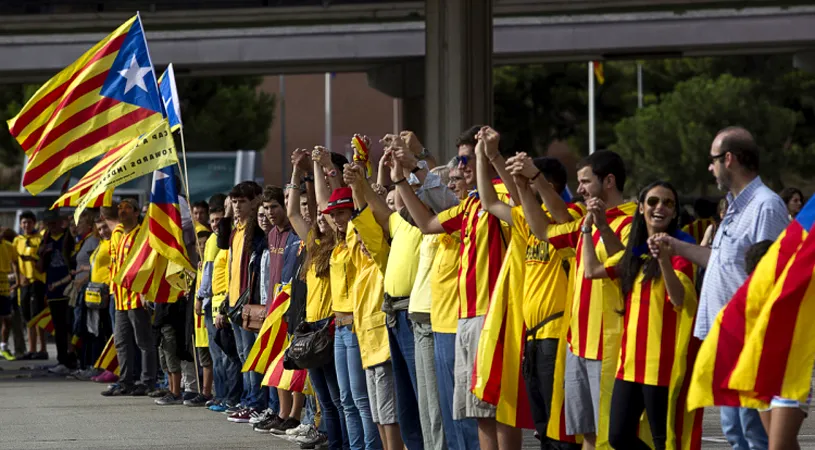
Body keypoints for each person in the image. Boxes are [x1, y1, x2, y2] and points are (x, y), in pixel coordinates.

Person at [651, 127, 789, 450]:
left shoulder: (765, 207)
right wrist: (674, 246)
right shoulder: (735, 207)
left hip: (747, 338)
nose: (710, 168)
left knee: (754, 434)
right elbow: (721, 262)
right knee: (735, 432)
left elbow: (768, 273)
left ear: (729, 159)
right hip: (726, 336)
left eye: (713, 160)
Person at [393, 126, 519, 450]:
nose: (461, 166)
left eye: (467, 160)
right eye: (461, 160)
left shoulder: (501, 198)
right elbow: (426, 223)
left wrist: (492, 155)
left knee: (499, 410)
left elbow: (520, 200)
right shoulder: (469, 206)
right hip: (465, 317)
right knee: (477, 412)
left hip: (491, 317)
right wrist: (398, 181)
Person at [513, 149, 636, 449]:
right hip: (578, 344)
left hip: (609, 348)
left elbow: (625, 263)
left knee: (611, 435)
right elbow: (543, 230)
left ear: (608, 181)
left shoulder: (633, 220)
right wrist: (520, 184)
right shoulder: (585, 224)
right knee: (587, 435)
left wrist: (537, 178)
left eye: (585, 181)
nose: (578, 189)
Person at [475, 126, 585, 450]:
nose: (522, 187)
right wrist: (489, 156)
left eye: (531, 181)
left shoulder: (571, 217)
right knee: (543, 429)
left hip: (555, 336)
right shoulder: (527, 221)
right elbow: (490, 201)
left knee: (560, 429)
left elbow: (558, 212)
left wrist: (531, 176)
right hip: (532, 337)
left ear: (547, 185)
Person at [581, 181, 698, 450]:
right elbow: (591, 270)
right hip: (629, 364)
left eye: (668, 203)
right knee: (618, 437)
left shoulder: (681, 249)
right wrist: (590, 226)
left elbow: (679, 299)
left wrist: (664, 260)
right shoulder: (634, 253)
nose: (660, 208)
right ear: (641, 208)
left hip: (661, 366)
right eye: (654, 201)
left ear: (675, 211)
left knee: (663, 441)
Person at [281, 148, 347, 450]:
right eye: (320, 215)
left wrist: (323, 169)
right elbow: (294, 212)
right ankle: (333, 443)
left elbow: (331, 202)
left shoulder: (342, 244)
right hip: (310, 328)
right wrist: (296, 172)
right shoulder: (314, 245)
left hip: (331, 327)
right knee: (325, 400)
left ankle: (343, 444)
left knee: (339, 398)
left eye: (328, 214)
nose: (321, 217)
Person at [216, 182, 268, 421]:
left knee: (250, 354)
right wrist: (228, 213)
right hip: (234, 302)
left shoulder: (254, 228)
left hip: (249, 303)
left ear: (254, 202)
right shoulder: (236, 229)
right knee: (242, 354)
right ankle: (249, 398)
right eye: (234, 201)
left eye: (242, 202)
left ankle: (256, 401)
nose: (237, 206)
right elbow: (222, 244)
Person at [102, 198, 158, 397]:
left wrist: (145, 292)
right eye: (120, 208)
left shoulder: (141, 235)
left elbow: (146, 265)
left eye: (127, 208)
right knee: (122, 342)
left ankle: (148, 381)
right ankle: (125, 381)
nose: (122, 211)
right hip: (119, 298)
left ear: (136, 213)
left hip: (136, 297)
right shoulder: (120, 236)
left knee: (143, 341)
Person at [39, 209, 76, 375]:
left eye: (54, 223)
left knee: (71, 325)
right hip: (53, 290)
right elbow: (39, 268)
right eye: (49, 224)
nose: (51, 227)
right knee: (59, 327)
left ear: (61, 223)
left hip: (69, 289)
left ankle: (73, 357)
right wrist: (42, 255)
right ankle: (62, 360)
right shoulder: (45, 240)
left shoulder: (69, 238)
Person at [12, 210, 48, 360]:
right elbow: (15, 261)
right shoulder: (17, 240)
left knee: (38, 316)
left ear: (34, 223)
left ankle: (42, 349)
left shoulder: (39, 239)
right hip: (24, 283)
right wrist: (18, 279)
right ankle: (31, 349)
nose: (26, 225)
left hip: (38, 281)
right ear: (20, 225)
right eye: (24, 223)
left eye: (29, 222)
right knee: (27, 317)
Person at [0, 228, 17, 361]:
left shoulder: (8, 246)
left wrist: (17, 279)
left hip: (5, 286)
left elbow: (14, 262)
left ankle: (4, 347)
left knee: (7, 318)